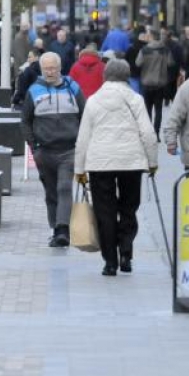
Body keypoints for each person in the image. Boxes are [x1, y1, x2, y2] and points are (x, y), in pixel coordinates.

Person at [74, 59, 158, 277]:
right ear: (127, 76)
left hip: (100, 163)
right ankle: (126, 254)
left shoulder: (93, 100)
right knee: (128, 209)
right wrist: (152, 162)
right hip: (131, 162)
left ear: (105, 76)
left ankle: (109, 262)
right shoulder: (136, 99)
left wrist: (79, 169)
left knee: (105, 212)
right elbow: (148, 133)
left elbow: (83, 138)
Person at [20, 52, 86, 247]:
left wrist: (82, 142)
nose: (50, 72)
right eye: (46, 68)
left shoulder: (72, 88)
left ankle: (63, 230)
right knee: (51, 192)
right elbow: (25, 121)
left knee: (64, 187)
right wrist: (34, 146)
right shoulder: (34, 90)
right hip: (44, 151)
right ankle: (55, 228)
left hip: (69, 150)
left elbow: (86, 114)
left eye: (53, 68)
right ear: (41, 69)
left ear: (59, 68)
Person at [136, 29, 174, 136]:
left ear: (151, 37)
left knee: (147, 109)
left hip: (146, 82)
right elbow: (170, 63)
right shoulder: (165, 50)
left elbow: (138, 63)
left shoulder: (144, 50)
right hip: (160, 83)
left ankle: (149, 133)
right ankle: (156, 133)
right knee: (158, 109)